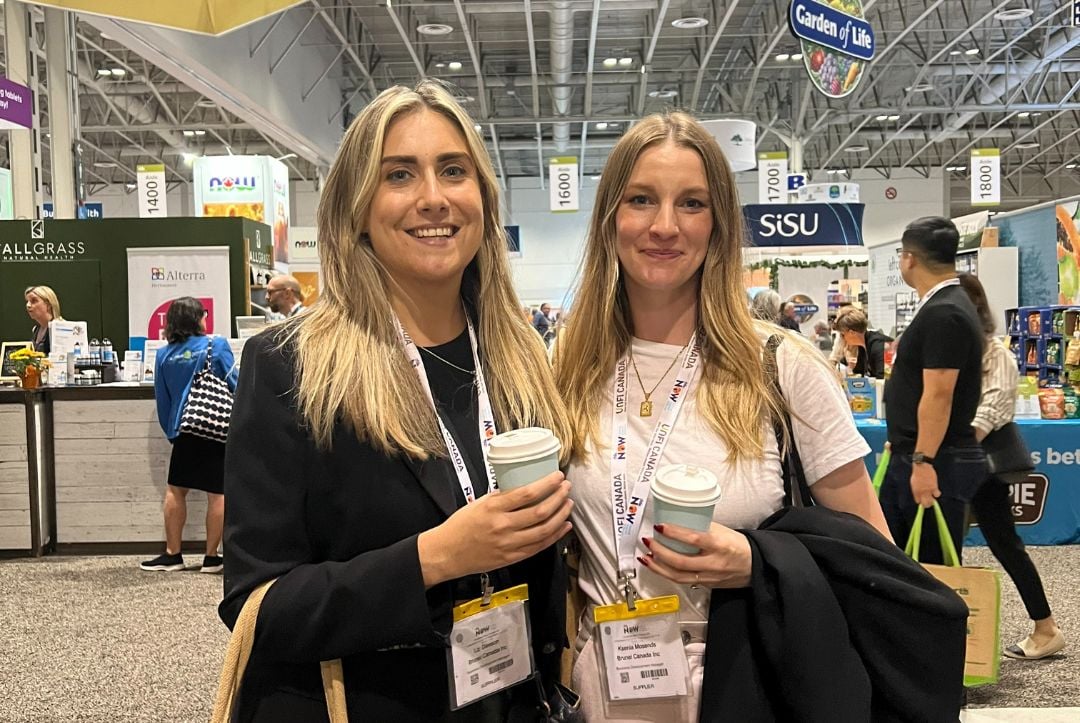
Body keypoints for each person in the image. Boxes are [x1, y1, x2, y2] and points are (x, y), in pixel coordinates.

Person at [219, 80, 573, 720]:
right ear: (357, 207)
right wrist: (434, 558)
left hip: (507, 699)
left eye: (454, 171)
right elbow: (257, 608)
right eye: (400, 175)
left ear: (484, 201)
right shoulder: (292, 369)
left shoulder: (521, 364)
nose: (434, 198)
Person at [553, 111, 892, 721]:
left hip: (751, 683)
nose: (663, 226)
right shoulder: (567, 368)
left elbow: (875, 559)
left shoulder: (782, 368)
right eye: (640, 200)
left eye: (692, 203)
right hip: (603, 687)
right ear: (609, 219)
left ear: (719, 226)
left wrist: (756, 564)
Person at [959, 274, 1065, 660]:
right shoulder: (953, 349)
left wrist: (955, 442)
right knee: (949, 547)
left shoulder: (995, 352)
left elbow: (995, 407)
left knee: (1004, 543)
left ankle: (1046, 626)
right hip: (955, 461)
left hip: (980, 466)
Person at [880, 217, 987, 565]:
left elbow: (939, 394)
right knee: (902, 561)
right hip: (917, 454)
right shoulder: (946, 306)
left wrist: (923, 460)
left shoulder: (946, 313)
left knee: (929, 568)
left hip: (935, 459)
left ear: (908, 258)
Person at [142, 296, 238, 574]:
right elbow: (235, 382)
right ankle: (211, 557)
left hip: (184, 429)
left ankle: (173, 554)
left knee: (175, 490)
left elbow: (163, 399)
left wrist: (172, 430)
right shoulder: (215, 345)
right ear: (197, 318)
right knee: (217, 493)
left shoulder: (163, 354)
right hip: (216, 427)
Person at [833, 306, 893, 378]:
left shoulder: (882, 346)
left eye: (843, 334)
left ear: (852, 333)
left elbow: (885, 379)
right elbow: (859, 373)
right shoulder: (863, 345)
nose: (843, 338)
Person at [24, 285, 63, 354]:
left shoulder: (60, 328)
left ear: (48, 305)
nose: (28, 305)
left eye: (34, 301)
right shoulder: (36, 329)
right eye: (27, 301)